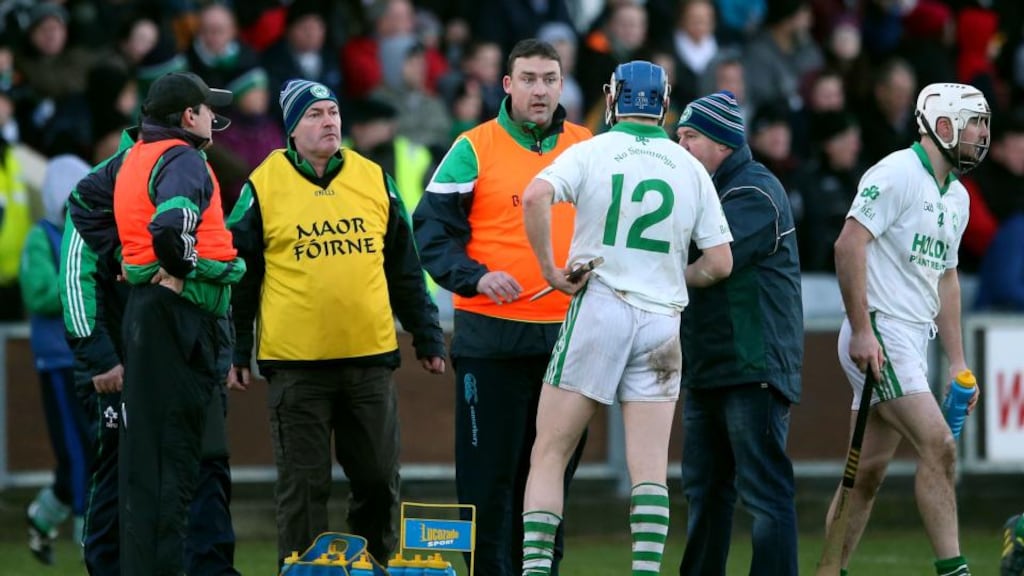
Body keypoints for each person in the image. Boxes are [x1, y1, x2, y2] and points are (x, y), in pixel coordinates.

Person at [520, 61, 734, 576]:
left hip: (601, 305)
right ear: (664, 104)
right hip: (662, 321)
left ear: (614, 98)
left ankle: (534, 570)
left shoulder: (593, 150)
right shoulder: (689, 167)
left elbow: (535, 195)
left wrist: (550, 270)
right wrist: (673, 276)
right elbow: (720, 262)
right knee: (650, 471)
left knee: (549, 452)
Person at [227, 78, 446, 570]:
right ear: (292, 129)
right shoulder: (262, 184)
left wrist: (427, 335)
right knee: (303, 488)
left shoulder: (374, 178)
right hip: (295, 366)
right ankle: (302, 571)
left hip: (369, 360)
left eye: (332, 112)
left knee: (378, 480)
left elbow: (404, 268)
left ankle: (373, 566)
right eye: (314, 114)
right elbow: (241, 275)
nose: (328, 121)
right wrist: (236, 349)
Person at [412, 38, 592, 576]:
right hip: (490, 341)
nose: (540, 90)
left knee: (551, 479)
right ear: (508, 84)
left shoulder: (587, 145)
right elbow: (431, 231)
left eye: (550, 79)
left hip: (568, 343)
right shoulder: (473, 147)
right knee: (487, 483)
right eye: (529, 79)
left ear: (562, 85)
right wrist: (476, 276)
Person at [64, 126, 242, 576]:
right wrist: (100, 356)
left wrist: (221, 352)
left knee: (203, 466)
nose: (212, 121)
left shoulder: (195, 173)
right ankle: (108, 567)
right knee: (121, 473)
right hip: (122, 363)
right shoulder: (106, 182)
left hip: (191, 354)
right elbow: (75, 273)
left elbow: (213, 264)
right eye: (203, 110)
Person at [829, 82, 990, 576]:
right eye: (973, 124)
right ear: (942, 126)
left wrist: (958, 362)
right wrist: (862, 330)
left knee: (867, 474)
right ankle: (954, 569)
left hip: (910, 339)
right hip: (880, 331)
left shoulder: (957, 196)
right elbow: (848, 245)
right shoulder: (896, 172)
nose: (981, 134)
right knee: (939, 445)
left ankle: (828, 571)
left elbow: (946, 278)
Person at [111, 71, 244, 576]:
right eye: (208, 109)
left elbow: (86, 204)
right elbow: (171, 227)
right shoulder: (184, 158)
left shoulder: (134, 157)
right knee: (176, 463)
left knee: (147, 467)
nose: (214, 118)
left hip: (148, 315)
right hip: (180, 319)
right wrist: (186, 269)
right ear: (190, 116)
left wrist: (130, 262)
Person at [674, 90, 804, 575]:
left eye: (690, 137)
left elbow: (704, 254)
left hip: (754, 367)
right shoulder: (712, 190)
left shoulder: (754, 192)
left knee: (764, 492)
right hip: (710, 367)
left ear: (723, 143)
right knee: (705, 493)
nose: (680, 147)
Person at [22, 155, 92, 565]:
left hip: (90, 357)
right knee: (77, 450)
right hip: (59, 361)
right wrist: (79, 284)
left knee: (88, 450)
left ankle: (42, 517)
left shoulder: (89, 235)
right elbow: (38, 293)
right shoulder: (41, 237)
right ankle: (89, 541)